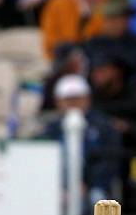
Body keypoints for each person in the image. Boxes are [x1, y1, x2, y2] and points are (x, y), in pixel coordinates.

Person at [42, 75, 121, 204]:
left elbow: (110, 161)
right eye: (68, 100)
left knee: (98, 199)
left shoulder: (104, 127)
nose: (73, 104)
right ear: (58, 102)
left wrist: (89, 185)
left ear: (87, 99)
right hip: (58, 186)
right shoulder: (50, 130)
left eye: (77, 99)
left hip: (93, 186)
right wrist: (57, 186)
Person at [89, 56, 136, 150]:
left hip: (129, 155)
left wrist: (126, 127)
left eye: (102, 70)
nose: (96, 75)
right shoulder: (90, 98)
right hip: (98, 155)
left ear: (117, 71)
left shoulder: (135, 97)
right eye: (94, 71)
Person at [85, 0, 136, 87]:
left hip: (130, 95)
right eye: (110, 19)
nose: (114, 24)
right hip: (99, 95)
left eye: (119, 19)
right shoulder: (93, 44)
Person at [40, 0, 104, 59]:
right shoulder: (57, 5)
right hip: (63, 62)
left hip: (96, 63)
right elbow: (50, 43)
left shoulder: (106, 6)